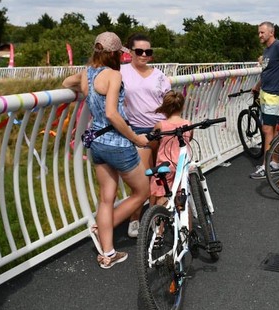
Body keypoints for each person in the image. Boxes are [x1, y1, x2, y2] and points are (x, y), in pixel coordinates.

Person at [63, 32, 150, 269]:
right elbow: (112, 113)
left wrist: (79, 86)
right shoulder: (113, 75)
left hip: (97, 144)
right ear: (113, 54)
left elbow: (66, 84)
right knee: (142, 192)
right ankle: (104, 228)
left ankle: (108, 253)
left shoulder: (88, 73)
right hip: (118, 144)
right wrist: (136, 138)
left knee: (106, 198)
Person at [120, 33, 171, 238]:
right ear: (130, 52)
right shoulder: (121, 72)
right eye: (139, 51)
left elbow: (168, 101)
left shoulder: (159, 75)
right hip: (138, 131)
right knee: (142, 180)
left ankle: (152, 218)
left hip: (161, 129)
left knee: (159, 178)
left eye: (148, 52)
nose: (144, 55)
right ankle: (134, 218)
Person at [249, 22, 279, 179]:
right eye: (258, 33)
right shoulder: (268, 50)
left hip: (273, 95)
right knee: (274, 130)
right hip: (265, 93)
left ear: (271, 32)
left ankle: (266, 166)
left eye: (262, 32)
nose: (259, 35)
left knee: (267, 130)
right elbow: (267, 72)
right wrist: (257, 86)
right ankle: (274, 163)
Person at [149, 91, 191, 206]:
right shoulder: (187, 123)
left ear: (165, 108)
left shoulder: (160, 125)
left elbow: (153, 143)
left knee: (162, 197)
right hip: (182, 165)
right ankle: (185, 222)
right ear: (182, 106)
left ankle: (157, 221)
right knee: (182, 203)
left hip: (165, 165)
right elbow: (190, 139)